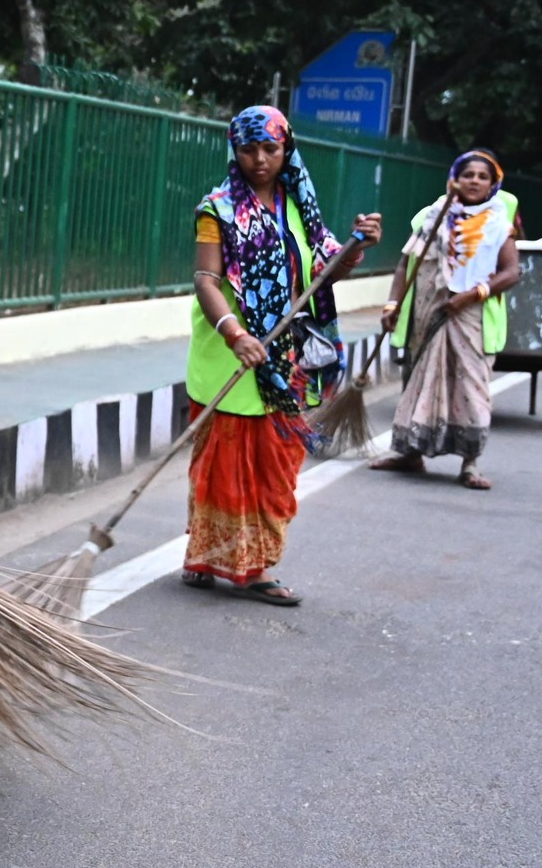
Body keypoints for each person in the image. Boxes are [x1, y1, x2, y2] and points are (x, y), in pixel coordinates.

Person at [183, 105, 381, 606]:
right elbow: (206, 281)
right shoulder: (217, 209)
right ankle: (235, 566)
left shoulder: (299, 206)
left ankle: (234, 558)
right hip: (230, 353)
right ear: (235, 151)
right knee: (223, 465)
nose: (259, 159)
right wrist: (235, 334)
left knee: (275, 463)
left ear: (285, 148)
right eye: (248, 149)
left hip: (285, 358)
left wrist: (356, 245)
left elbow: (324, 273)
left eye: (270, 148)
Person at [371, 150, 522, 489]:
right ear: (454, 179)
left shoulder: (499, 223)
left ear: (493, 184)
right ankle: (409, 454)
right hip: (427, 313)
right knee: (417, 381)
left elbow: (512, 272)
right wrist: (392, 305)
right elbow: (405, 265)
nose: (474, 181)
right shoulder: (431, 216)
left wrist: (470, 296)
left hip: (470, 316)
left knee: (471, 386)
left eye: (483, 177)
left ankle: (470, 464)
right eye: (468, 175)